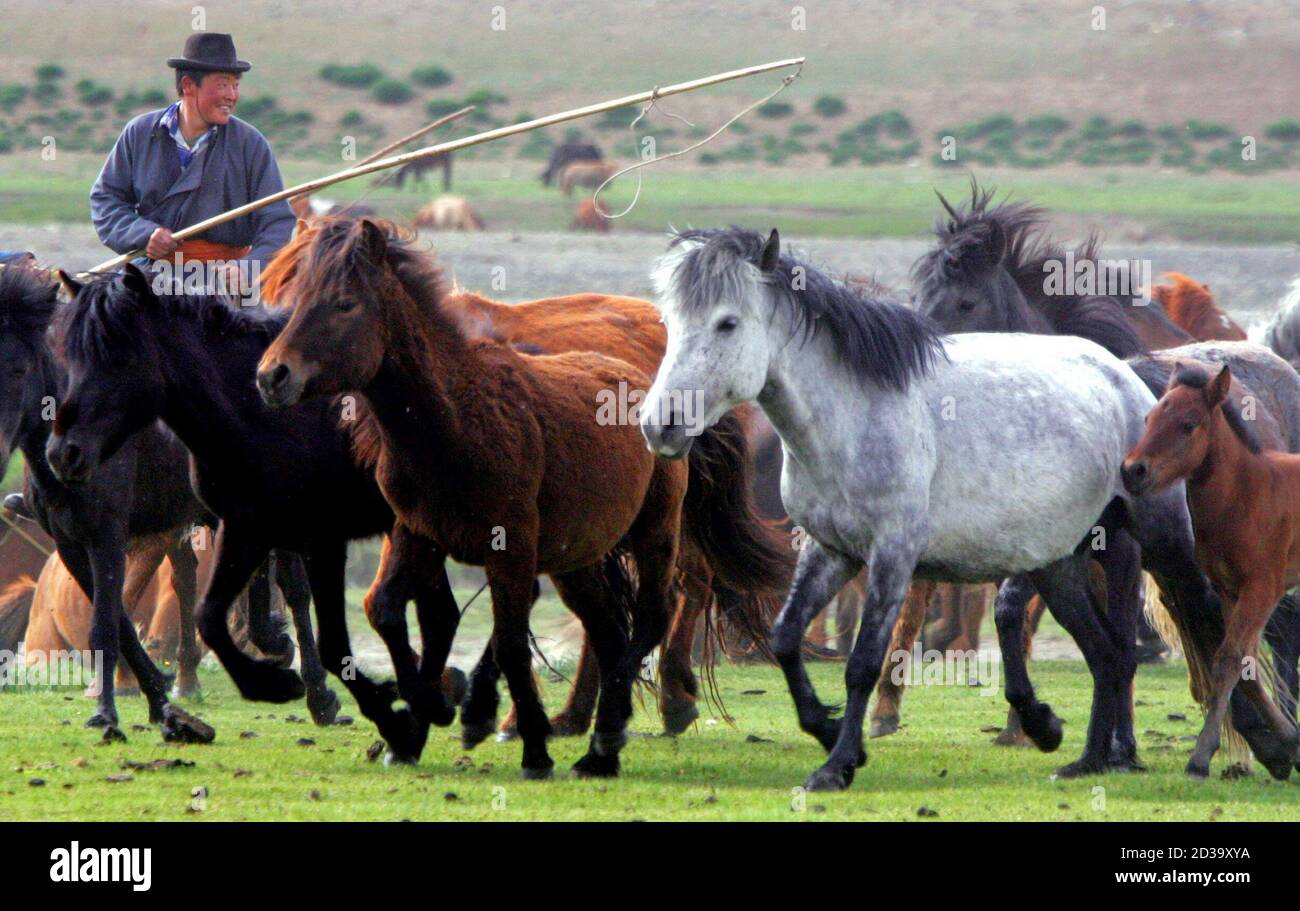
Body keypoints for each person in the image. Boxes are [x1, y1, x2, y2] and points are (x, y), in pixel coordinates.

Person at [89, 32, 294, 301]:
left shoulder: (250, 144)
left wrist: (248, 269)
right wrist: (144, 234)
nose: (231, 95)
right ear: (188, 85)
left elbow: (277, 221)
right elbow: (106, 200)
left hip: (226, 289)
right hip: (155, 281)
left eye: (235, 85)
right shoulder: (139, 133)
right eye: (222, 85)